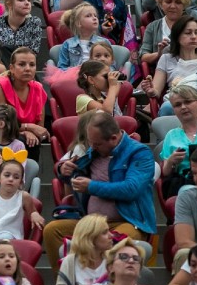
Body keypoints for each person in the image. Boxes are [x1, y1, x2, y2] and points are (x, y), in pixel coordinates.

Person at [44, 111, 156, 269]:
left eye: (97, 144)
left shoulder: (139, 153)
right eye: (91, 143)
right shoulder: (94, 152)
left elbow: (131, 189)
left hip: (127, 221)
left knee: (116, 242)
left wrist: (91, 187)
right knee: (52, 231)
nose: (92, 147)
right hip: (91, 223)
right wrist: (63, 169)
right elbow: (71, 172)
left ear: (114, 138)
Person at [140, 15, 197, 116]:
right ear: (177, 37)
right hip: (179, 107)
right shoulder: (166, 59)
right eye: (188, 33)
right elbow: (156, 91)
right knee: (167, 107)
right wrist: (151, 90)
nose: (194, 36)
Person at [55, 214, 115, 285]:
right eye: (105, 232)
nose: (111, 235)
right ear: (90, 237)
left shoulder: (114, 260)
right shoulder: (69, 262)